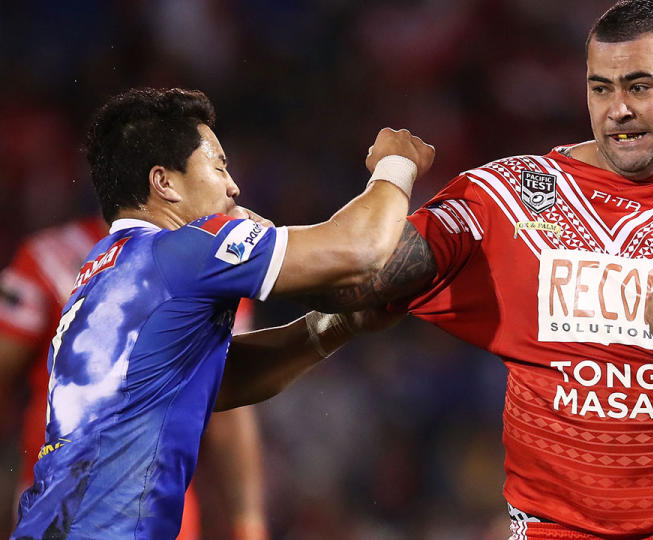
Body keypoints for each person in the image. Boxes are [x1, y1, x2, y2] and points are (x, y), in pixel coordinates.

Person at [223, 1, 653, 538]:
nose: (617, 109)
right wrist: (207, 247)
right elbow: (357, 278)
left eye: (640, 86)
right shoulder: (507, 196)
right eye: (602, 88)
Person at [10, 87, 434, 539]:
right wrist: (396, 165)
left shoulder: (101, 274)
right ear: (165, 183)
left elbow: (214, 381)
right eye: (218, 166)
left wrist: (337, 325)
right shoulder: (183, 251)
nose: (234, 186)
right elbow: (361, 248)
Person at [0, 216, 268, 540]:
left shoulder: (214, 265)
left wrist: (248, 524)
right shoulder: (49, 258)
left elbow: (228, 405)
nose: (230, 187)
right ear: (161, 178)